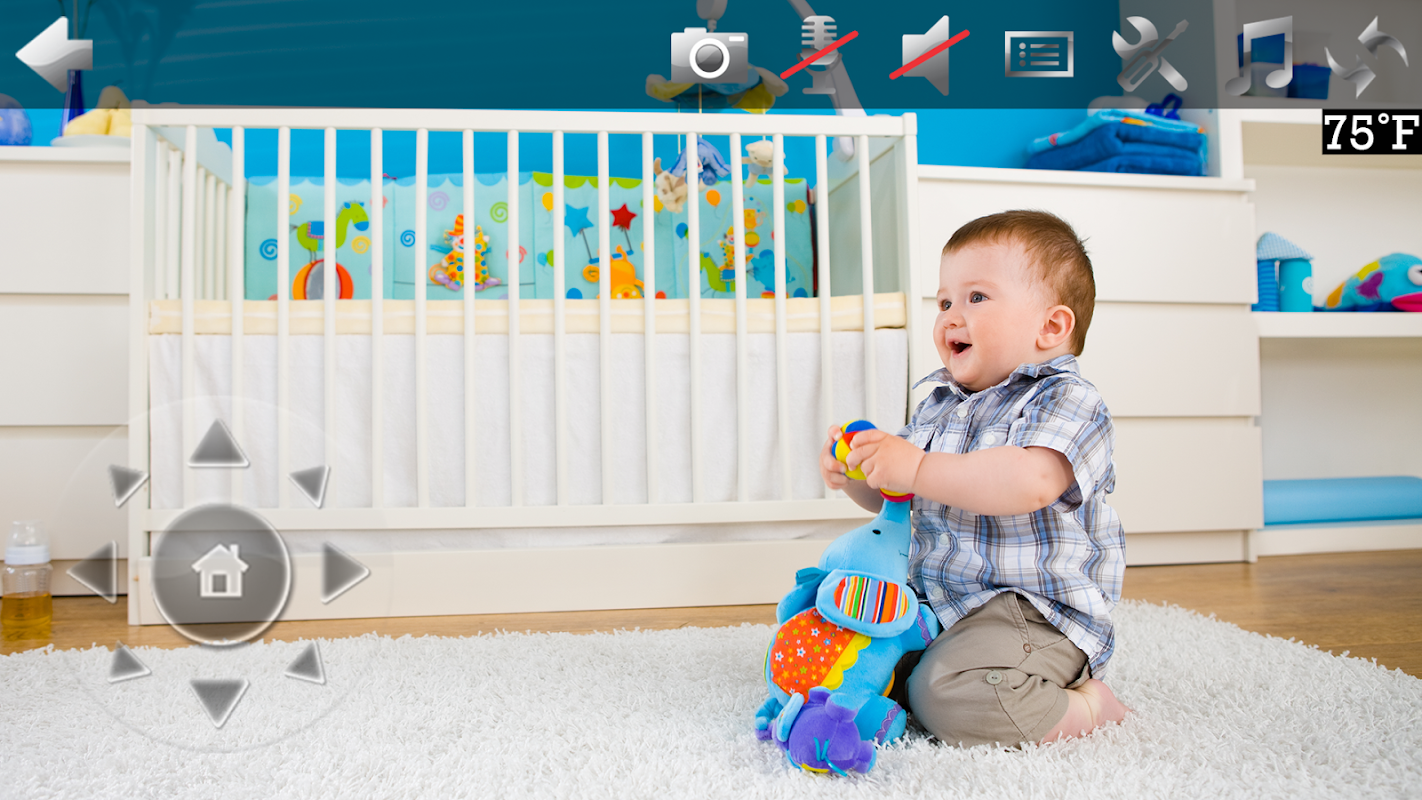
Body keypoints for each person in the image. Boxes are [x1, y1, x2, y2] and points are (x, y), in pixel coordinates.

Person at [820, 210, 1129, 748]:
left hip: (1031, 611)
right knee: (846, 658)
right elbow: (899, 494)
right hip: (940, 602)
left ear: (1051, 327)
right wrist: (858, 473)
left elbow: (1029, 480)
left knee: (942, 695)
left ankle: (1087, 705)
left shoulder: (1066, 399)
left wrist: (917, 466)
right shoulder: (940, 404)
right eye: (944, 302)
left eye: (976, 298)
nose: (951, 317)